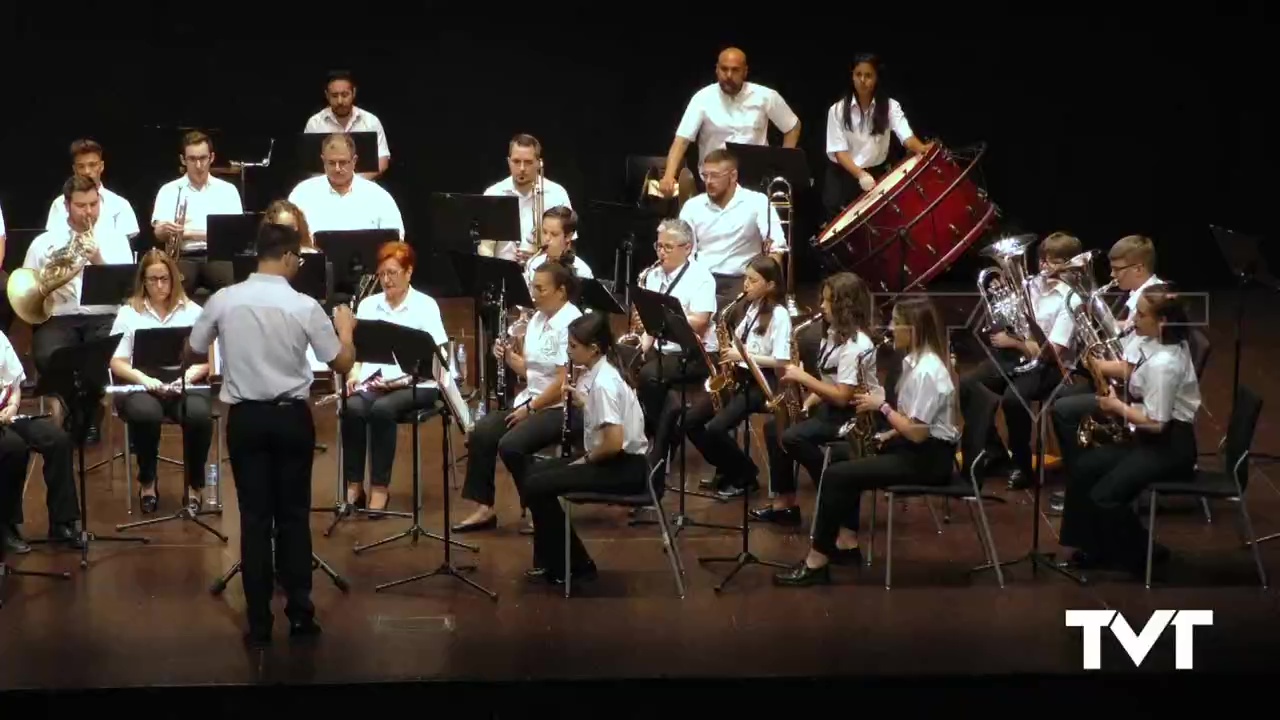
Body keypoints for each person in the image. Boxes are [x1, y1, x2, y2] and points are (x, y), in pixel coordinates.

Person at [186, 222, 356, 647]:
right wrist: (347, 329)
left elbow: (192, 348)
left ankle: (258, 622)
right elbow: (339, 362)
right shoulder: (303, 306)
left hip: (245, 420)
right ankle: (300, 615)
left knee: (255, 520)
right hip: (290, 418)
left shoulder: (224, 299)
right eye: (298, 258)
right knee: (294, 519)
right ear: (287, 257)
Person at [774, 296, 959, 586]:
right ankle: (846, 543)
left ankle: (817, 560)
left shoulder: (926, 371)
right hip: (914, 447)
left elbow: (919, 433)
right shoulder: (914, 362)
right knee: (839, 457)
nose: (891, 329)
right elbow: (915, 422)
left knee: (836, 475)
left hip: (928, 459)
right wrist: (887, 433)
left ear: (913, 330)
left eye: (897, 324)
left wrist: (881, 407)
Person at [1057, 284, 1198, 575]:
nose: (1134, 320)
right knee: (1085, 468)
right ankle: (1092, 546)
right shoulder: (1155, 343)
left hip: (1170, 447)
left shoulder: (1165, 364)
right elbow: (1134, 369)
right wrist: (1100, 366)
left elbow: (1158, 424)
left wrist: (1116, 407)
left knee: (1106, 495)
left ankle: (1144, 556)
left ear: (1163, 322)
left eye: (1142, 315)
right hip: (1153, 439)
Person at [520, 311, 650, 584]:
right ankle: (560, 560)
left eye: (573, 347)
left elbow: (613, 444)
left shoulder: (603, 382)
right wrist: (584, 402)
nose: (568, 352)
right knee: (533, 475)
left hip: (623, 467)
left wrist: (585, 460)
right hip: (619, 460)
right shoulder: (605, 371)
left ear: (593, 349)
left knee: (535, 486)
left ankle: (572, 564)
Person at [453, 262, 582, 533]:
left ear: (560, 291)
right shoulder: (536, 319)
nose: (533, 293)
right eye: (532, 286)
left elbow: (563, 380)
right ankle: (484, 507)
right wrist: (508, 356)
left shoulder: (572, 322)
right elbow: (530, 369)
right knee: (482, 433)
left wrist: (531, 409)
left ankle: (541, 506)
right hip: (532, 401)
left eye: (540, 288)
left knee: (511, 445)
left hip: (563, 407)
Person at [1047, 235, 1164, 510]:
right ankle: (1087, 478)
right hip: (1127, 381)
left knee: (1064, 408)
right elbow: (1128, 342)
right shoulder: (1141, 297)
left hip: (1135, 393)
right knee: (1065, 397)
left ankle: (1084, 483)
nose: (1111, 275)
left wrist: (1093, 363)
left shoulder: (1152, 303)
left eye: (1118, 269)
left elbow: (1129, 368)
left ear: (1138, 268)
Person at [754, 271, 881, 525]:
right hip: (830, 408)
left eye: (827, 301)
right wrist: (806, 403)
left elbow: (843, 397)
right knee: (773, 427)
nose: (821, 306)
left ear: (844, 305)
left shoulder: (856, 345)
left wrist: (801, 377)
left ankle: (829, 484)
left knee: (793, 436)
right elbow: (829, 381)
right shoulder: (833, 335)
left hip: (852, 417)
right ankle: (785, 504)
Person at [960, 232, 1081, 489]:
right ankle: (995, 453)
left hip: (1051, 368)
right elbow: (1012, 317)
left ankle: (1023, 466)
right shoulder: (1032, 284)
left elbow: (1052, 353)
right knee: (969, 384)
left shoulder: (1071, 299)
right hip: (1016, 358)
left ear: (1070, 264)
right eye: (1042, 260)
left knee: (1013, 400)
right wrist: (999, 295)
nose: (1044, 267)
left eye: (1053, 262)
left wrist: (1013, 342)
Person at [24, 175, 135, 443]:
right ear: (66, 205)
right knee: (48, 355)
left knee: (100, 359)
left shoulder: (116, 239)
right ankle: (74, 409)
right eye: (81, 205)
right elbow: (28, 285)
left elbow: (127, 289)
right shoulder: (44, 242)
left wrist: (97, 258)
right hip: (60, 316)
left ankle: (87, 414)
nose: (88, 212)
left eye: (93, 204)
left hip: (103, 315)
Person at [341, 241, 448, 514]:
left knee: (382, 410)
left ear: (408, 272)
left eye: (393, 273)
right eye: (382, 274)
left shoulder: (425, 305)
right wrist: (354, 374)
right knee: (352, 408)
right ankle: (354, 486)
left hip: (418, 383)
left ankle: (380, 488)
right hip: (376, 381)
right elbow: (359, 354)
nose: (386, 281)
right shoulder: (368, 305)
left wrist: (400, 380)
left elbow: (438, 359)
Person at [107, 249, 213, 514]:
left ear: (174, 278)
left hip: (183, 382)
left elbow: (210, 357)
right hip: (142, 384)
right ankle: (148, 481)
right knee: (146, 414)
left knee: (199, 415)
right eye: (152, 279)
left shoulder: (193, 311)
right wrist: (145, 379)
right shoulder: (128, 313)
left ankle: (195, 485)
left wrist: (186, 377)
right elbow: (116, 361)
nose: (159, 285)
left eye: (164, 278)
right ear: (143, 281)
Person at [685, 255, 791, 499]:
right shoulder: (749, 307)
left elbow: (782, 361)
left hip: (762, 382)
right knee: (690, 421)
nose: (746, 285)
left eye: (753, 280)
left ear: (771, 285)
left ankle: (745, 476)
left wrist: (741, 356)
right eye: (746, 278)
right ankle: (728, 469)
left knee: (716, 429)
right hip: (739, 377)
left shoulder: (780, 315)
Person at [628, 218, 719, 470]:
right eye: (659, 246)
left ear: (687, 248)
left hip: (694, 353)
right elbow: (650, 326)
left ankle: (662, 440)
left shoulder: (702, 278)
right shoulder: (651, 276)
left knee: (649, 376)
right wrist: (638, 349)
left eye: (668, 247)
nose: (661, 252)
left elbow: (700, 322)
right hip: (661, 349)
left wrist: (664, 317)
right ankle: (647, 436)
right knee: (622, 363)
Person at [659, 47, 801, 197]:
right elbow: (682, 140)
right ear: (716, 70)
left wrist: (784, 164)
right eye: (724, 69)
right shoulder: (702, 98)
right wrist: (669, 176)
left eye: (735, 70)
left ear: (745, 71)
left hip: (755, 183)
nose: (728, 75)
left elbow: (792, 126)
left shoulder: (765, 96)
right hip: (712, 181)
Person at [822, 53, 932, 219]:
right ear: (852, 76)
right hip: (845, 178)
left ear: (877, 78)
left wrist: (922, 149)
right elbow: (839, 152)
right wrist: (860, 174)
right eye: (858, 74)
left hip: (877, 174)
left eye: (868, 75)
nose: (863, 80)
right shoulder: (836, 110)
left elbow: (906, 136)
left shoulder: (890, 106)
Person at [678, 148, 787, 308]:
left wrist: (764, 283)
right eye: (705, 175)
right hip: (703, 278)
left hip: (742, 279)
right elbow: (684, 252)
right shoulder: (693, 206)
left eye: (715, 175)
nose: (708, 181)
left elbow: (776, 247)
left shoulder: (756, 201)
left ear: (733, 176)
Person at [0, 329, 77, 554]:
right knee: (13, 447)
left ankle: (62, 521)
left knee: (58, 439)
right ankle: (6, 526)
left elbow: (13, 383)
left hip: (7, 413)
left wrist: (13, 406)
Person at [151, 130, 245, 299]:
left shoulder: (228, 191)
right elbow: (158, 234)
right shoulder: (169, 190)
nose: (199, 165)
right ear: (183, 160)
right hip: (184, 256)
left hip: (218, 257)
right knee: (172, 292)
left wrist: (188, 233)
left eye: (203, 158)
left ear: (212, 157)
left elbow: (234, 235)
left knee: (234, 296)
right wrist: (164, 230)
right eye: (192, 159)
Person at [286, 133, 404, 238]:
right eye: (331, 163)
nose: (337, 169)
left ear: (354, 161)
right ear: (323, 160)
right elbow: (285, 236)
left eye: (342, 162)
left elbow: (396, 239)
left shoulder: (378, 196)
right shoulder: (302, 194)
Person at [482, 134, 573, 262]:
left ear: (539, 163)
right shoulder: (493, 194)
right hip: (503, 274)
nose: (522, 168)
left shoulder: (557, 194)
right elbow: (485, 248)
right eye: (516, 161)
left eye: (528, 162)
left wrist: (538, 258)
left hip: (544, 275)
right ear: (508, 162)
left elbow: (568, 244)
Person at [45, 138, 140, 240]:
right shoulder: (59, 204)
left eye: (92, 165)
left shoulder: (120, 205)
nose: (87, 171)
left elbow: (124, 248)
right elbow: (53, 243)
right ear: (74, 169)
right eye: (81, 166)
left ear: (101, 166)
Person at [303, 70, 392, 180]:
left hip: (363, 185)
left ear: (353, 93)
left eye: (344, 95)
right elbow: (308, 165)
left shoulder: (371, 121)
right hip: (325, 188)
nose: (340, 101)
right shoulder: (315, 124)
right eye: (334, 96)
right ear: (327, 95)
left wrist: (356, 183)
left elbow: (383, 161)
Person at [523, 206, 594, 285]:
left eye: (554, 234)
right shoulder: (534, 263)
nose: (547, 238)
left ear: (568, 236)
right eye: (544, 232)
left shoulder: (582, 272)